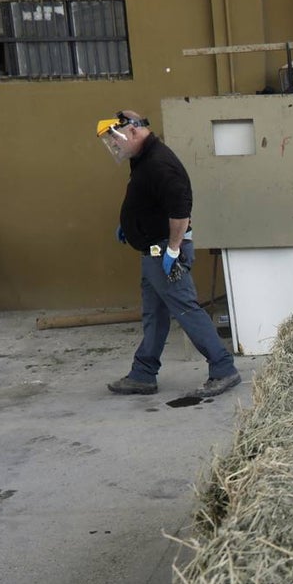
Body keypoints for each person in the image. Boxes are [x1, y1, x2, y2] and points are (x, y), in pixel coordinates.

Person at [96, 110, 241, 397]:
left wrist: (173, 250)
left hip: (164, 250)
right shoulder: (143, 159)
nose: (114, 146)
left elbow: (180, 212)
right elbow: (149, 201)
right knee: (155, 314)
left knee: (186, 310)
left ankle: (223, 368)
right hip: (152, 250)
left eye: (115, 140)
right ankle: (143, 373)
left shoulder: (160, 164)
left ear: (134, 132)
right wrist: (129, 224)